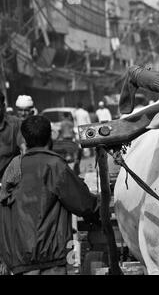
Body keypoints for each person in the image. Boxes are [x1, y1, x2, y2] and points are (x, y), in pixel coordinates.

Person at [0, 115, 99, 275]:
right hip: (51, 259)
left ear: (24, 139)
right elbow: (84, 204)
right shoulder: (55, 165)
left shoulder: (14, 166)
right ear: (50, 137)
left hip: (19, 260)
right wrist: (98, 207)